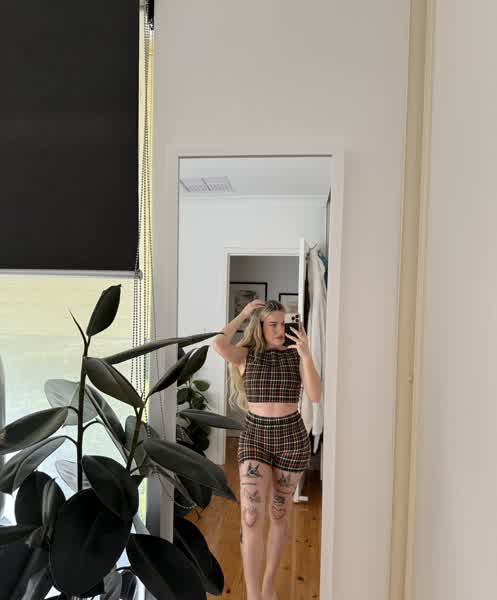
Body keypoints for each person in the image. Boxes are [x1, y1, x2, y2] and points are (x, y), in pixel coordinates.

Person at [212, 299, 322, 600]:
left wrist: (306, 353)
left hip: (291, 438)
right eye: (272, 324)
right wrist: (244, 314)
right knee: (250, 516)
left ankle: (269, 584)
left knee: (278, 513)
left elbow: (315, 395)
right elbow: (219, 344)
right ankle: (253, 595)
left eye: (282, 324)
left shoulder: (296, 355)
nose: (278, 330)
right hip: (256, 437)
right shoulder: (246, 355)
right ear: (260, 327)